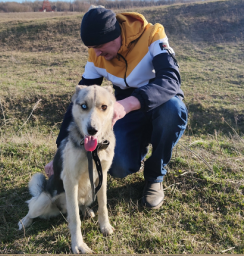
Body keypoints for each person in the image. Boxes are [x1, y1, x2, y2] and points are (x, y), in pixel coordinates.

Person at [45, 6, 188, 209]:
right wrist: (60, 150)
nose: (97, 52)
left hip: (161, 102)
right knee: (119, 167)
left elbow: (170, 80)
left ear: (116, 34)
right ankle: (138, 147)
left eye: (100, 45)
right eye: (92, 47)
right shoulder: (97, 53)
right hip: (126, 110)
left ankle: (155, 176)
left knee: (173, 111)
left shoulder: (152, 34)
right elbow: (80, 102)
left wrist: (127, 104)